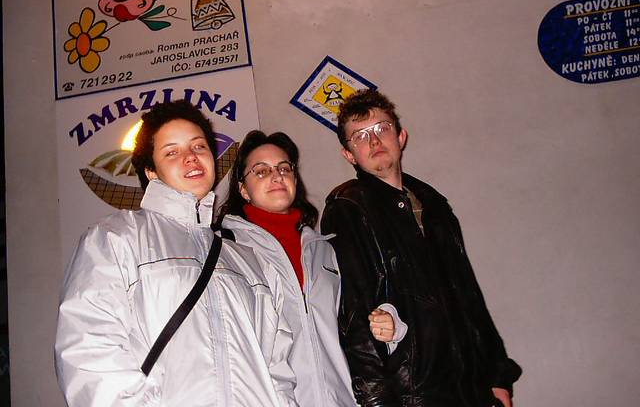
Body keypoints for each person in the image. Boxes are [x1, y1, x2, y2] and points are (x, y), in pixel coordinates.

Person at [55, 101, 297, 407]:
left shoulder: (248, 259)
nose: (191, 157)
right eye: (172, 152)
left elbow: (276, 366)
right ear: (151, 171)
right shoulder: (116, 238)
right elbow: (89, 350)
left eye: (199, 146)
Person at [321, 90, 522, 407]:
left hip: (471, 389)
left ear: (401, 136)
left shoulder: (434, 204)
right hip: (413, 395)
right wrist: (378, 402)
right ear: (348, 154)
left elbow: (468, 294)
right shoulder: (348, 208)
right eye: (360, 136)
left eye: (382, 128)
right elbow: (354, 315)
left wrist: (497, 376)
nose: (374, 141)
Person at [217, 130, 404, 407]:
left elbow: (354, 323)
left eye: (284, 168)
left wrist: (391, 323)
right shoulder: (227, 252)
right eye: (261, 171)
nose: (276, 176)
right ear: (243, 189)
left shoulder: (324, 249)